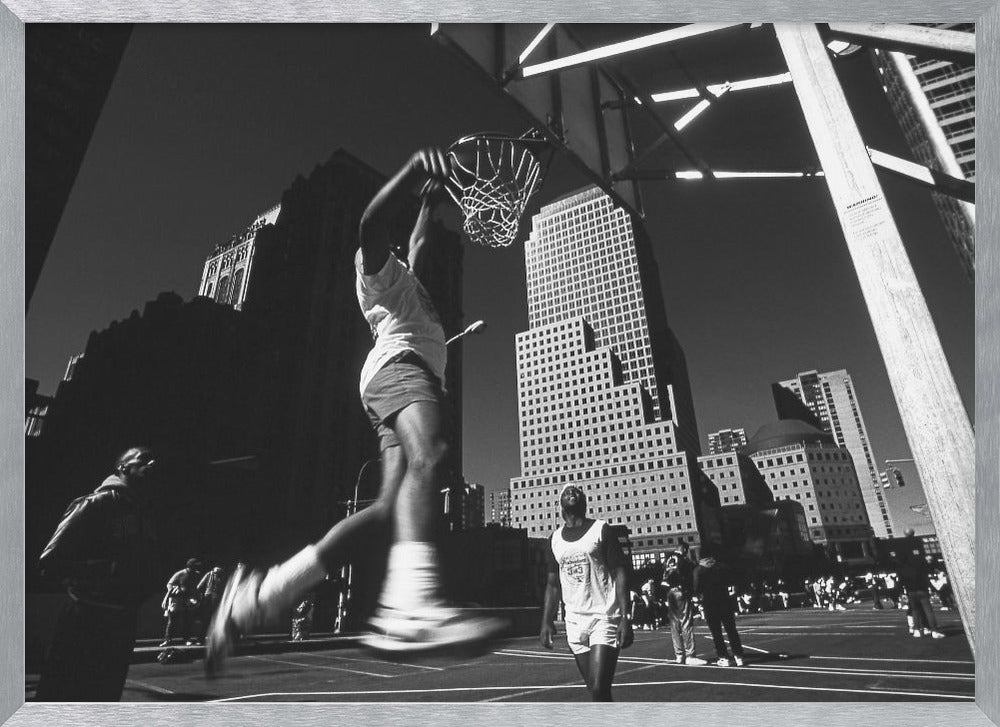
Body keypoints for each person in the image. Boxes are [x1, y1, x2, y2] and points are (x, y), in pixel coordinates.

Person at [206, 148, 502, 673]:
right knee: (431, 453)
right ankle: (411, 607)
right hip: (400, 369)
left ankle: (261, 595)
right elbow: (370, 223)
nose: (399, 252)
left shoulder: (408, 282)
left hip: (403, 376)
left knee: (388, 509)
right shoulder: (377, 277)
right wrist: (411, 171)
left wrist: (428, 206)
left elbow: (418, 243)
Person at [35, 447, 163, 701]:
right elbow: (50, 561)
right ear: (123, 467)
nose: (152, 463)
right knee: (63, 699)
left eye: (154, 460)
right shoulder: (95, 504)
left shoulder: (143, 513)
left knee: (104, 699)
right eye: (143, 459)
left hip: (121, 622)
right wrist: (106, 569)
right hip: (87, 619)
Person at [540, 486, 632, 702]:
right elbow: (552, 585)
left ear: (584, 501)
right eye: (566, 491)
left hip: (604, 616)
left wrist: (625, 617)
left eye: (576, 491)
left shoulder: (601, 530)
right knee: (596, 690)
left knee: (599, 688)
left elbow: (620, 574)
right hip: (574, 621)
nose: (571, 491)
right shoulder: (554, 539)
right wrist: (546, 621)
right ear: (560, 505)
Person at [692, 542, 745, 667]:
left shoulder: (698, 570)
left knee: (716, 632)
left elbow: (696, 588)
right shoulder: (721, 566)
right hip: (724, 600)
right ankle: (739, 656)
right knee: (731, 629)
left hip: (709, 602)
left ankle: (724, 657)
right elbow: (732, 582)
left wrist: (698, 598)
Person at [661, 541, 707, 665]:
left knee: (674, 624)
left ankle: (679, 654)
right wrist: (693, 591)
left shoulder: (667, 559)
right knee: (686, 622)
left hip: (669, 592)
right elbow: (692, 572)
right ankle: (690, 655)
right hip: (681, 591)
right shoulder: (683, 560)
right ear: (685, 550)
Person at [897, 529, 944, 639]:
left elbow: (901, 580)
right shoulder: (920, 560)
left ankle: (916, 630)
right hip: (921, 588)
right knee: (928, 610)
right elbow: (926, 569)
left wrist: (901, 591)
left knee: (915, 610)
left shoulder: (903, 568)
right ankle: (933, 630)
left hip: (910, 590)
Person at [161, 558, 203, 646]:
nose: (197, 568)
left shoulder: (196, 575)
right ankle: (168, 639)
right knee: (172, 621)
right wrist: (176, 589)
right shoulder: (180, 573)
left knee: (188, 620)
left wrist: (196, 597)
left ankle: (186, 639)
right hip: (177, 599)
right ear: (190, 567)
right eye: (195, 566)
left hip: (188, 600)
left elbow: (195, 587)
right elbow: (169, 584)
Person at [197, 565, 226, 640]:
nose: (215, 574)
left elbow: (199, 586)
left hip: (209, 596)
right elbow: (199, 586)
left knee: (208, 617)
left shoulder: (210, 574)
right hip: (213, 597)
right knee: (212, 617)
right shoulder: (214, 575)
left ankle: (204, 637)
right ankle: (208, 636)